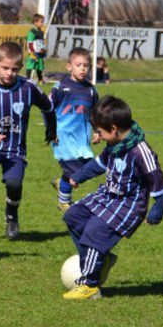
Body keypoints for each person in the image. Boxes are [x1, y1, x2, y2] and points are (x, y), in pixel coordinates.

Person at [62, 96, 163, 300]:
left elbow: (158, 181)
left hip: (129, 204)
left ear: (113, 128)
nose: (99, 137)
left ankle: (90, 286)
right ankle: (101, 257)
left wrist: (157, 210)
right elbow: (98, 164)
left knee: (95, 232)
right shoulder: (114, 144)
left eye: (100, 132)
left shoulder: (140, 150)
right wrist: (77, 177)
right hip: (108, 195)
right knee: (73, 216)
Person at [0, 42, 56, 241]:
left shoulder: (28, 88)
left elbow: (48, 107)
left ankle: (11, 217)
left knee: (14, 183)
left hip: (15, 149)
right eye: (5, 68)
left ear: (20, 68)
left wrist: (51, 129)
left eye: (14, 69)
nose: (9, 73)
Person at [49, 48, 100, 212]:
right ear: (69, 67)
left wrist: (98, 130)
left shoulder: (91, 90)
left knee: (87, 166)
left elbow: (95, 112)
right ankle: (64, 202)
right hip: (62, 137)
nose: (82, 69)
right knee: (75, 173)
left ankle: (62, 183)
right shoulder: (60, 87)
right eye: (78, 65)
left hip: (81, 139)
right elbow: (47, 109)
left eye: (86, 65)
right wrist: (51, 130)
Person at [25, 13, 48, 84]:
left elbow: (41, 42)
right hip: (33, 52)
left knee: (39, 67)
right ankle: (28, 79)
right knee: (31, 65)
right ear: (35, 22)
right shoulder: (32, 32)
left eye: (42, 22)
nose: (42, 23)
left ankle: (40, 79)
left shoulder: (41, 32)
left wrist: (43, 48)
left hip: (40, 52)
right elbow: (30, 42)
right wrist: (31, 52)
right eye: (41, 22)